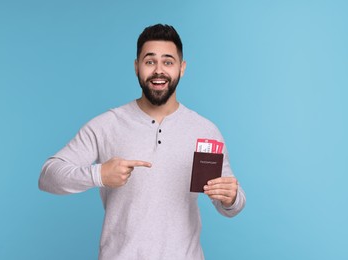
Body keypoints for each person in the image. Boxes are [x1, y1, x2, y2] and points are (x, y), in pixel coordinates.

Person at [39, 24, 246, 260]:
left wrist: (231, 197)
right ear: (137, 67)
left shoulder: (205, 130)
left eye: (168, 62)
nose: (159, 70)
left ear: (182, 68)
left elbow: (232, 205)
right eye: (150, 62)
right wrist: (99, 175)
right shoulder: (106, 125)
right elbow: (48, 176)